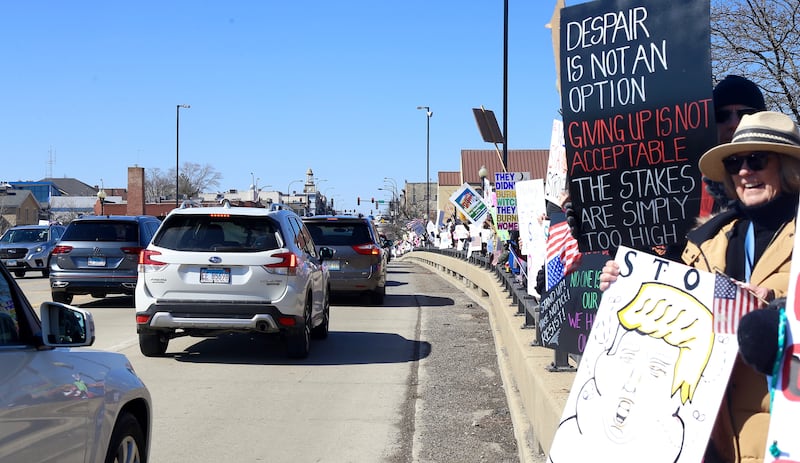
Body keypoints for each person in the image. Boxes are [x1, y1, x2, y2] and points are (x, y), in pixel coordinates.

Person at [599, 111, 800, 462]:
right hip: (710, 440)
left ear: (787, 167)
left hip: (782, 437)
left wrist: (779, 311)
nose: (744, 171)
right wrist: (624, 286)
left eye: (757, 160)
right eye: (735, 162)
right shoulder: (707, 242)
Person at [704, 75, 767, 213]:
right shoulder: (693, 189)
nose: (733, 124)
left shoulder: (789, 184)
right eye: (721, 115)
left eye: (745, 115)